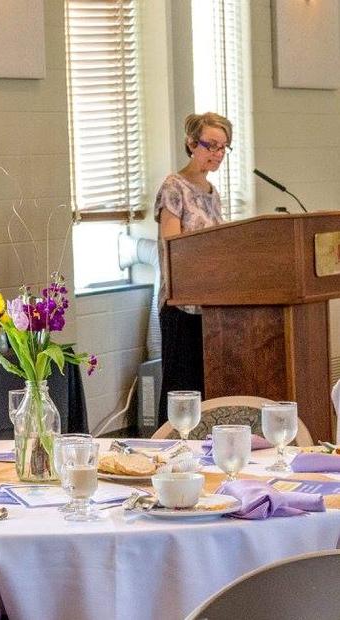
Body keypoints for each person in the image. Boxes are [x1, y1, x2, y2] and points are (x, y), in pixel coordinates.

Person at [154, 112, 230, 425]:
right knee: (181, 387)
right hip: (180, 304)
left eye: (223, 147)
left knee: (206, 388)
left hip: (210, 306)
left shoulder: (213, 194)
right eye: (210, 145)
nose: (217, 153)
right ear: (191, 143)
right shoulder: (174, 186)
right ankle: (165, 450)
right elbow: (173, 246)